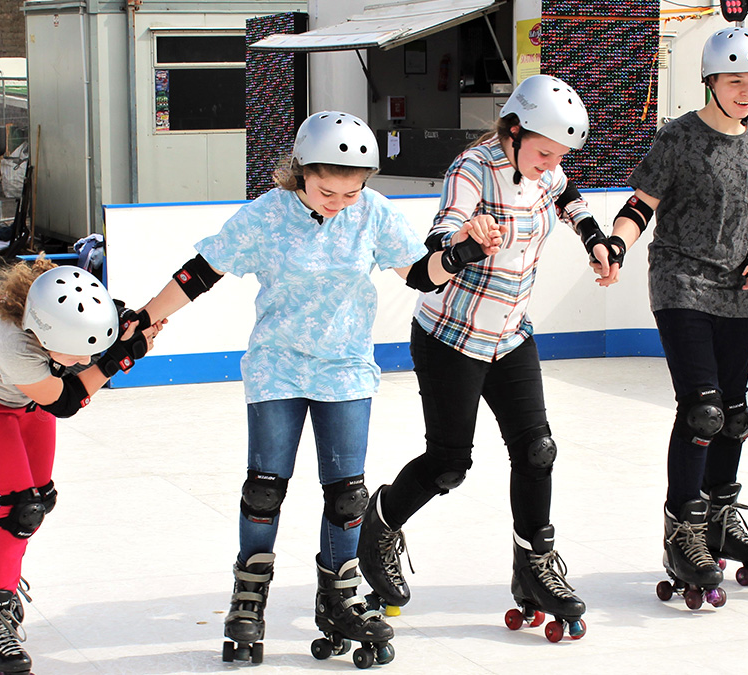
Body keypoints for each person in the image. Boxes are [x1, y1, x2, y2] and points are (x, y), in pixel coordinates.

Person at [134, 111, 500, 666]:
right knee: (265, 487)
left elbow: (420, 275)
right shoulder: (266, 216)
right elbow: (201, 272)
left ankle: (339, 598)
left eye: (352, 191)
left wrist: (465, 251)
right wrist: (145, 317)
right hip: (278, 366)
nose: (339, 201)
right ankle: (249, 599)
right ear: (300, 172)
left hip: (346, 367)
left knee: (347, 493)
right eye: (328, 189)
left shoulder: (372, 214)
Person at [358, 74, 617, 642]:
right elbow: (439, 239)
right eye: (545, 152)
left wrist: (596, 238)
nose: (551, 164)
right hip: (451, 336)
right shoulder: (471, 170)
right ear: (515, 129)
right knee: (449, 463)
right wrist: (468, 240)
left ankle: (534, 565)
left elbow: (568, 196)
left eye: (560, 156)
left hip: (510, 335)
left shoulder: (546, 169)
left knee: (537, 449)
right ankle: (381, 523)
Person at [603, 27, 748, 608]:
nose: (746, 92)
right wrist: (618, 244)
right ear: (710, 80)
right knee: (702, 410)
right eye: (735, 82)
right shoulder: (677, 138)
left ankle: (722, 516)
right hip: (680, 282)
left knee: (733, 414)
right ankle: (683, 529)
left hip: (736, 289)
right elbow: (640, 205)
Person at [0, 259, 156, 674]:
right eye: (78, 351)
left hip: (25, 398)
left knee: (41, 499)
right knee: (19, 509)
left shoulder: (60, 302)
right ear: (42, 333)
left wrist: (126, 332)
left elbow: (81, 356)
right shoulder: (12, 345)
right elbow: (65, 400)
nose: (85, 357)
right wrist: (120, 359)